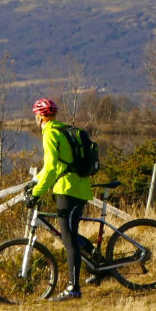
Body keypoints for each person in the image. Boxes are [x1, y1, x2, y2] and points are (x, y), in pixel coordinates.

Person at [27, 98, 95, 299]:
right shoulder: (63, 129)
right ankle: (98, 265)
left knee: (69, 239)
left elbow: (51, 168)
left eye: (36, 116)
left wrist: (36, 193)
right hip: (77, 187)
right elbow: (59, 165)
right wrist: (35, 182)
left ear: (39, 116)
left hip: (68, 191)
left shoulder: (49, 133)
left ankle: (74, 289)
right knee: (70, 234)